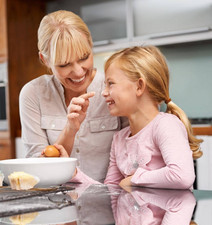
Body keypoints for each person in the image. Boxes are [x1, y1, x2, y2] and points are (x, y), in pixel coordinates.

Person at [60, 45, 203, 190]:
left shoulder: (166, 125)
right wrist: (74, 174)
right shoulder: (119, 139)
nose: (104, 92)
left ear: (139, 86)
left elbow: (182, 175)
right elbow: (110, 192)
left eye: (110, 84)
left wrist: (134, 179)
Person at [19, 10, 127, 182]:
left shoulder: (114, 88)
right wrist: (70, 129)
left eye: (84, 58)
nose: (78, 72)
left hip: (110, 203)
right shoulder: (33, 93)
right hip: (57, 203)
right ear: (45, 59)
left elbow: (135, 156)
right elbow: (38, 170)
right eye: (64, 64)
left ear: (91, 45)